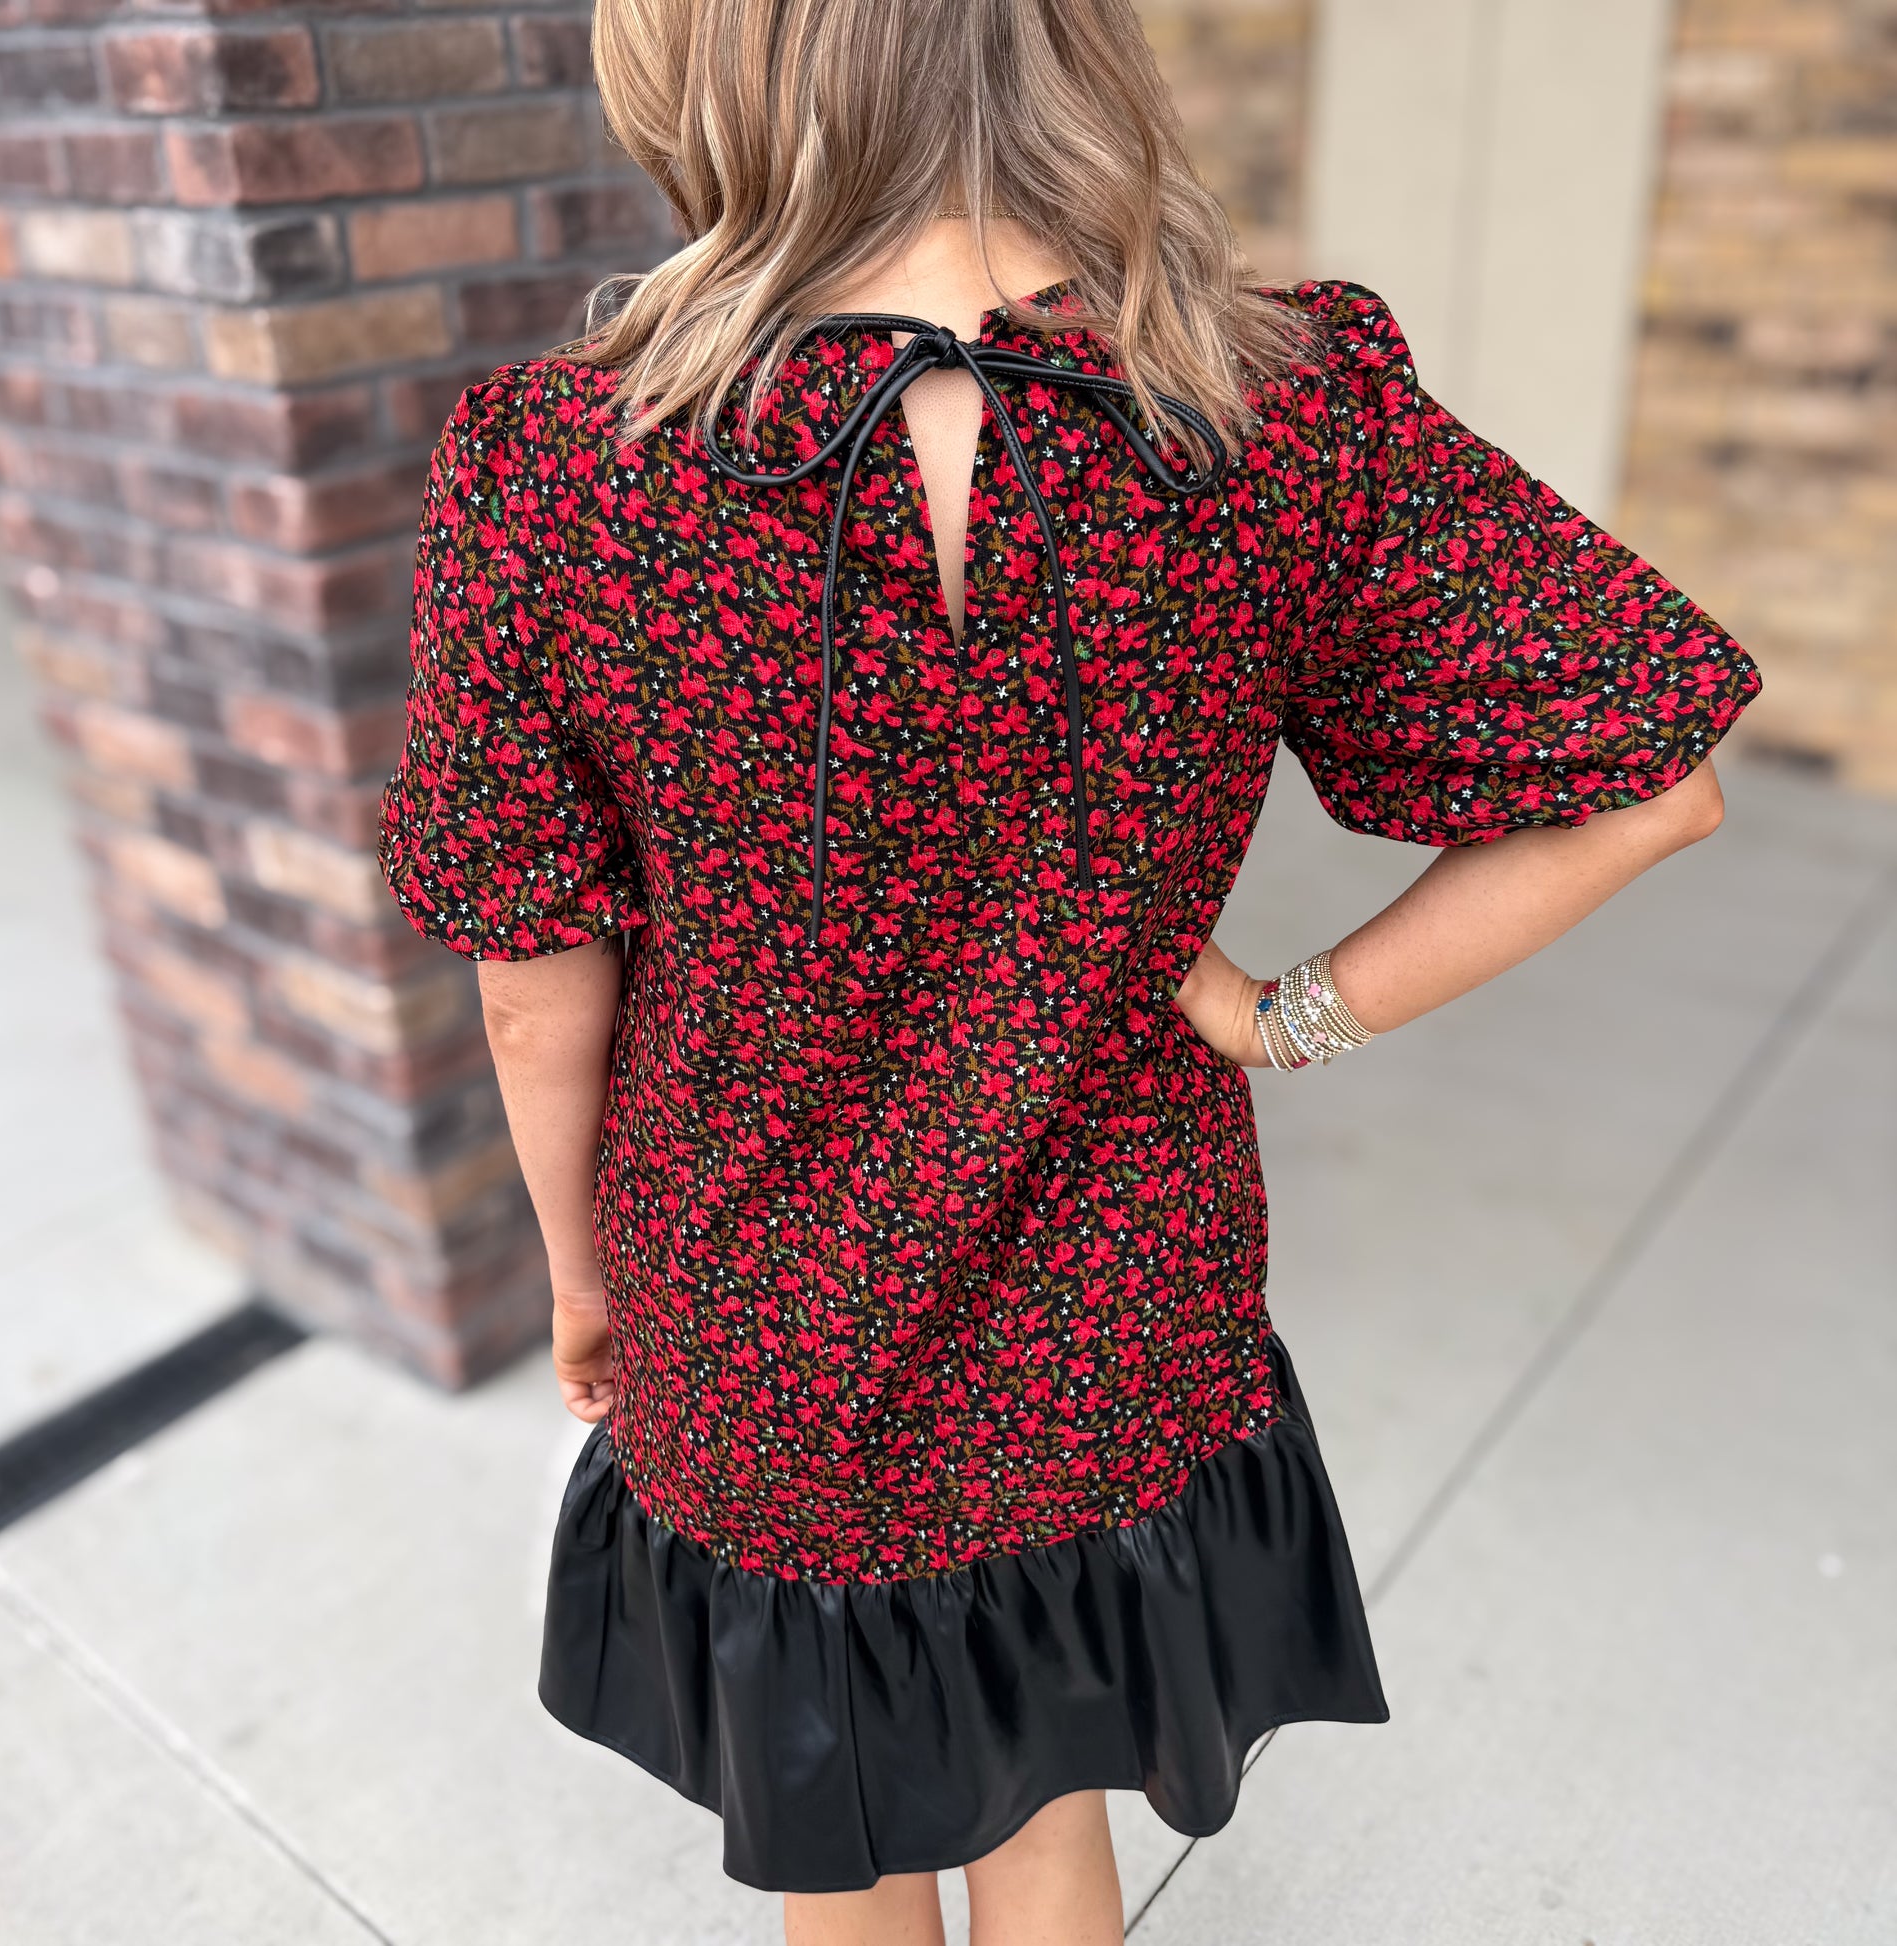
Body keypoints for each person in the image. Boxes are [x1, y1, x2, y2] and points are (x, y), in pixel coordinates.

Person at [375, 0, 1763, 1937]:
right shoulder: (1264, 403)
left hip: (756, 1297)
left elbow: (534, 984)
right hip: (1113, 1293)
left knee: (838, 1827)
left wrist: (583, 1273)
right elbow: (1649, 778)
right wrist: (1286, 1012)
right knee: (1048, 1800)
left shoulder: (562, 468)